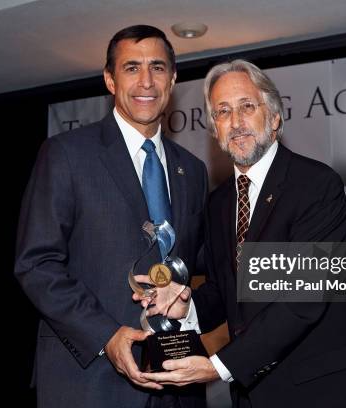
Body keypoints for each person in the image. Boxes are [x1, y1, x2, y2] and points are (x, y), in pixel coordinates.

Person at [139, 60, 346, 407]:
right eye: (222, 112)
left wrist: (219, 367)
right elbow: (227, 290)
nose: (235, 123)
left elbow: (301, 301)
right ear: (214, 129)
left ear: (275, 117)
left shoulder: (316, 186)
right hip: (253, 395)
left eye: (246, 107)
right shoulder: (220, 202)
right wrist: (185, 307)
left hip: (323, 393)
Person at [14, 25, 207, 408]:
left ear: (172, 78)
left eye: (157, 67)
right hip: (89, 381)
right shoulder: (66, 154)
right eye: (131, 68)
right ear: (110, 79)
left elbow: (197, 265)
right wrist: (106, 335)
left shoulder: (194, 169)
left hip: (177, 381)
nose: (146, 81)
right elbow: (36, 265)